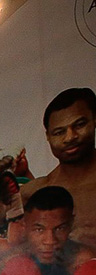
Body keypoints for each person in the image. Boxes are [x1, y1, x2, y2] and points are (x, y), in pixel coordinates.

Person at [20, 88, 96, 248]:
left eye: (80, 125)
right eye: (59, 132)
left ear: (94, 120)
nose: (70, 137)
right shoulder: (32, 192)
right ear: (47, 136)